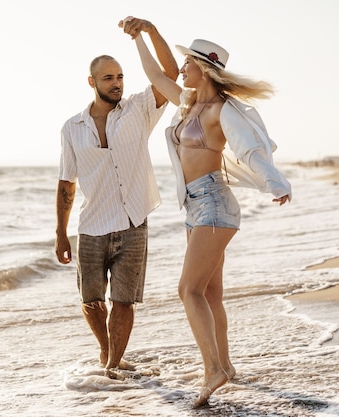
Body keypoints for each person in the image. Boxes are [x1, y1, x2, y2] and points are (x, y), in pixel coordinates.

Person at [120, 19, 292, 407]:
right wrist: (143, 35)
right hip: (194, 206)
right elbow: (152, 72)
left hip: (215, 203)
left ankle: (212, 368)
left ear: (205, 68)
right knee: (210, 293)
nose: (180, 69)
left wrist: (275, 183)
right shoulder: (186, 102)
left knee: (188, 290)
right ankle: (226, 366)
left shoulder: (221, 110)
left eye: (187, 64)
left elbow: (250, 150)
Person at [55, 18, 178, 378]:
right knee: (91, 301)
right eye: (108, 78)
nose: (117, 83)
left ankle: (111, 368)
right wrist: (61, 233)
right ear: (92, 82)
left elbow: (169, 75)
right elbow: (66, 184)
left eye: (120, 76)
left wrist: (151, 32)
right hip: (91, 225)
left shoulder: (140, 109)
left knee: (124, 302)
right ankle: (108, 351)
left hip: (133, 221)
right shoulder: (71, 128)